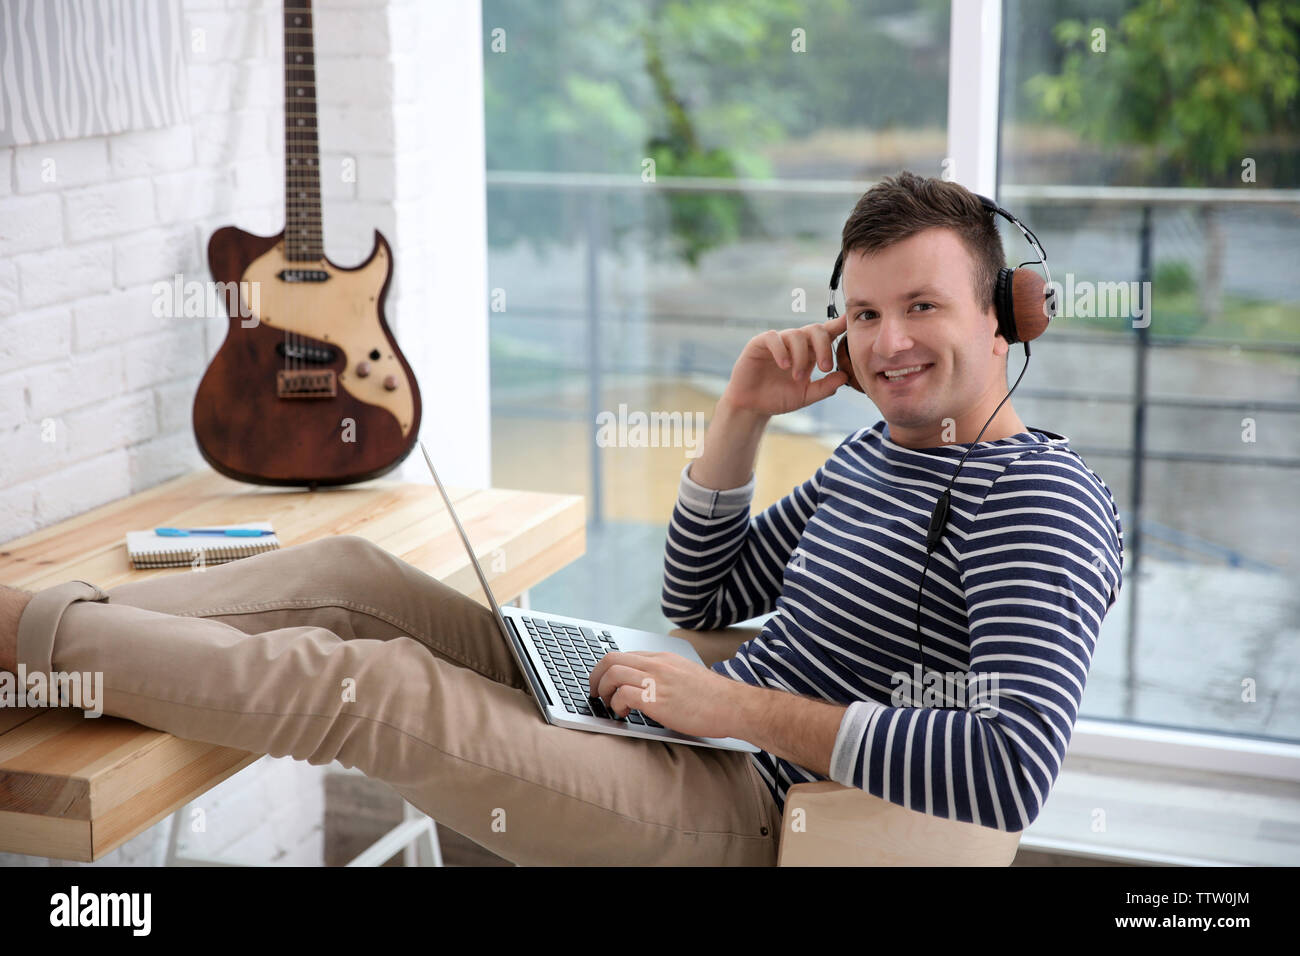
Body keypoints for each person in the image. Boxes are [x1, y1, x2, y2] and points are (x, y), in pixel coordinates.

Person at [0, 170, 1122, 865]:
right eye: (864, 311)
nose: (885, 343)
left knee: (366, 680)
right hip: (697, 724)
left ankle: (20, 634)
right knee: (352, 574)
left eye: (921, 306)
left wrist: (733, 702)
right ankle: (58, 641)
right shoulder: (877, 452)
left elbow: (1008, 765)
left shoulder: (1039, 502)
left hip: (761, 814)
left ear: (1008, 318)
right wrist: (740, 415)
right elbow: (706, 596)